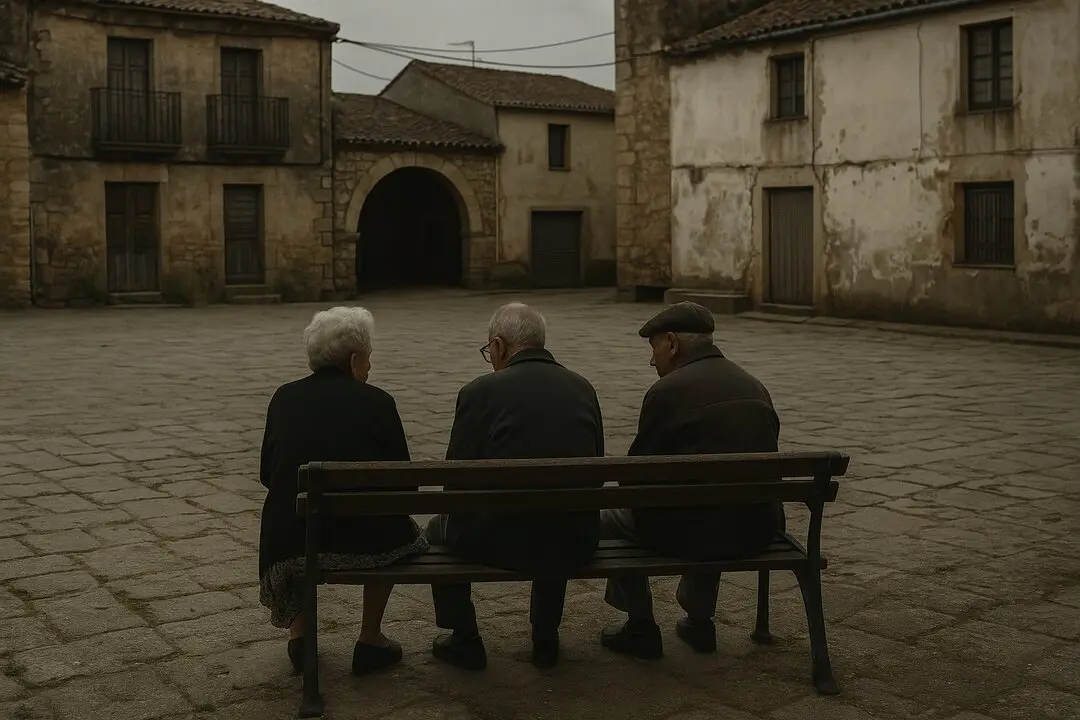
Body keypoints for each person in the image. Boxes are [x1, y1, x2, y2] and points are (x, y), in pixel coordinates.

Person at [600, 301, 784, 659]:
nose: (651, 360)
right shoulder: (754, 385)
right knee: (717, 502)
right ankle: (699, 621)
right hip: (757, 529)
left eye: (653, 347)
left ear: (672, 343)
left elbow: (635, 479)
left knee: (612, 517)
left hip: (688, 533)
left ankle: (640, 625)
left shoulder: (667, 391)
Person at [426, 302, 605, 671]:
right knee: (557, 511)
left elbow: (455, 478)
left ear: (499, 345)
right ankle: (545, 634)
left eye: (489, 351)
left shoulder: (479, 391)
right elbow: (596, 471)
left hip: (495, 542)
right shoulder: (582, 388)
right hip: (572, 539)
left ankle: (464, 636)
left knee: (434, 530)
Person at [258, 306, 428, 676]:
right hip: (369, 542)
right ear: (353, 361)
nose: (370, 366)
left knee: (293, 521)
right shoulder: (379, 402)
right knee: (402, 532)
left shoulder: (283, 398)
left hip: (295, 543)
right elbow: (405, 484)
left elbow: (268, 474)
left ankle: (301, 634)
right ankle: (370, 637)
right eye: (368, 358)